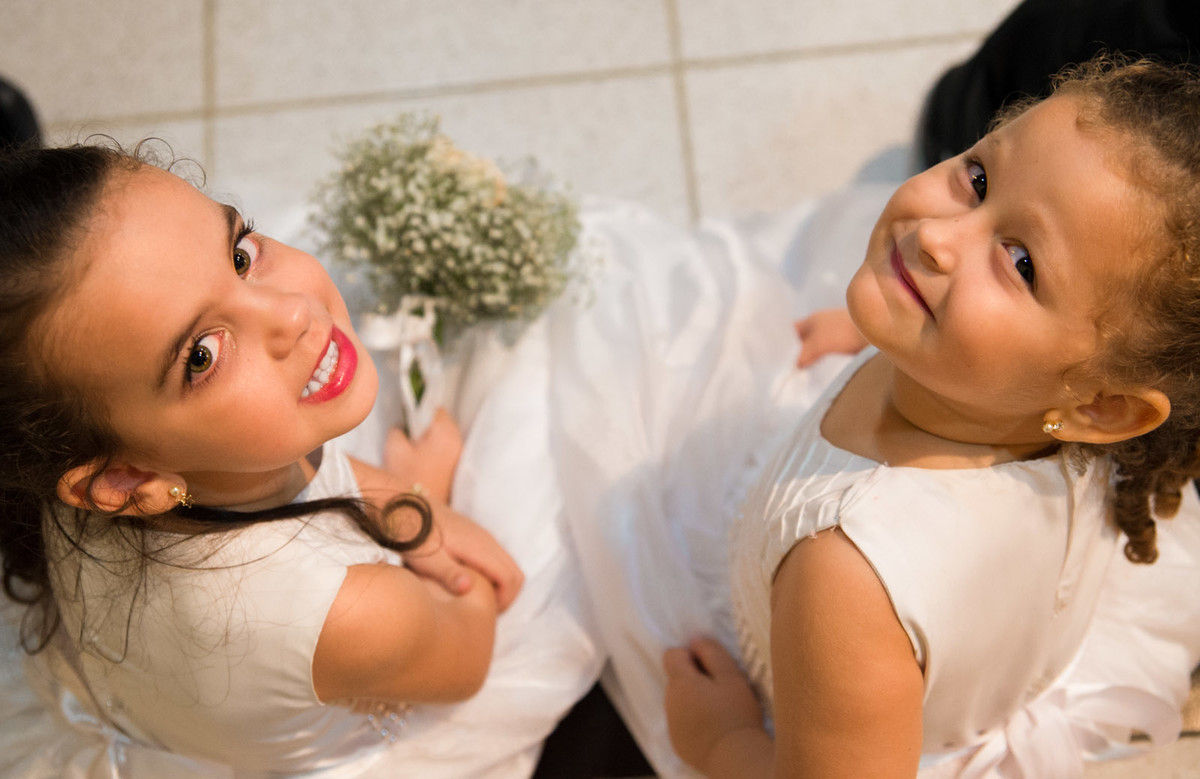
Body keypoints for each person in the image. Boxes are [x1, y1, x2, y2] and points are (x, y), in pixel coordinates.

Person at [550, 55, 1200, 777]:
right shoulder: (1038, 400)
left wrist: (724, 740)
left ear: (1102, 408)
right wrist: (875, 334)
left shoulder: (844, 579)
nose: (938, 238)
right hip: (975, 657)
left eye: (1021, 263)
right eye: (979, 179)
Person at [0, 141, 603, 777]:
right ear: (123, 480)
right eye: (202, 355)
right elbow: (469, 655)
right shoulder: (352, 615)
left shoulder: (73, 446)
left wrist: (396, 497)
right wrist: (428, 496)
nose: (291, 311)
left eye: (239, 255)